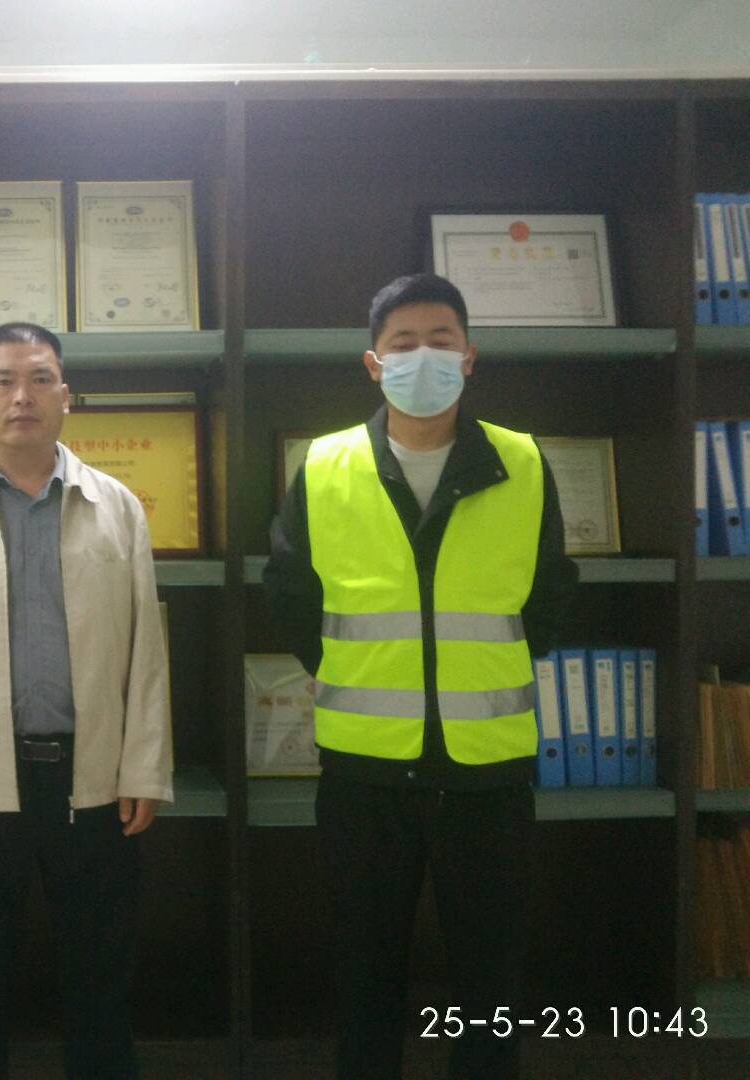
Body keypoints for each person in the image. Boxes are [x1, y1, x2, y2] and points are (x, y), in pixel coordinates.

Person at [263, 274, 578, 1080]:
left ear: (470, 356)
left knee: (490, 985)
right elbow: (291, 598)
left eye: (442, 341)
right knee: (365, 981)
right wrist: (360, 669)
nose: (424, 356)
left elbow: (550, 595)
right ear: (374, 363)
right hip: (365, 776)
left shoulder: (521, 460)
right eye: (403, 343)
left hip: (489, 775)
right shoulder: (326, 464)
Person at [0, 322, 173, 1080]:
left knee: (101, 980)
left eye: (41, 379)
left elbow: (147, 654)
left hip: (95, 786)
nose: (23, 396)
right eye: (5, 381)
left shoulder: (116, 506)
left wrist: (143, 768)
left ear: (66, 397)